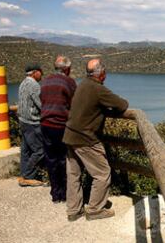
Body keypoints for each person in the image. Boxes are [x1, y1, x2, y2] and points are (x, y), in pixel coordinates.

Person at [63, 58, 129, 221]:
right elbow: (122, 105)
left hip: (70, 135)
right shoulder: (98, 89)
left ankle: (73, 210)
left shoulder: (83, 84)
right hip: (85, 138)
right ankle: (94, 209)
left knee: (74, 174)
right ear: (102, 74)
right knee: (102, 173)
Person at [40, 56, 76, 203]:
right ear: (66, 69)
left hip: (45, 125)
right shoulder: (69, 82)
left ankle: (55, 193)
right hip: (61, 125)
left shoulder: (45, 81)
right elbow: (75, 103)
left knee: (51, 159)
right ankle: (66, 193)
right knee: (64, 159)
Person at [17, 63, 45, 186]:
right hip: (32, 122)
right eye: (40, 71)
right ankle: (28, 176)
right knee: (40, 150)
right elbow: (41, 105)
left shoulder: (23, 83)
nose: (42, 74)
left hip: (23, 120)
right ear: (35, 72)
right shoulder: (34, 85)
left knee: (26, 150)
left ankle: (23, 175)